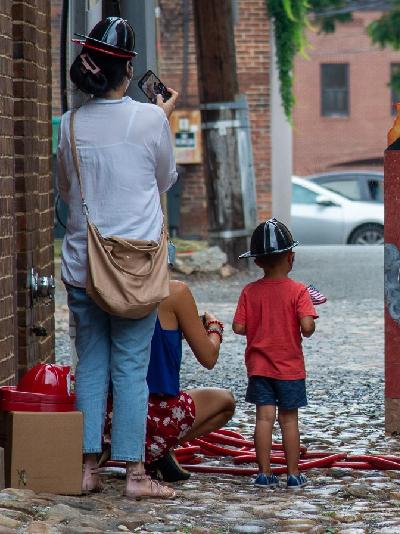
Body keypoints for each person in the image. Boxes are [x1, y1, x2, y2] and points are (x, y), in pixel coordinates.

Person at [57, 16, 180, 498]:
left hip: (83, 265)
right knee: (131, 369)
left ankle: (86, 469)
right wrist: (163, 117)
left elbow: (66, 188)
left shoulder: (70, 124)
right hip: (137, 268)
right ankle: (135, 476)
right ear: (128, 70)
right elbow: (165, 179)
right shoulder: (150, 119)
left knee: (90, 365)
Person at [103, 277, 237, 483]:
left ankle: (121, 448)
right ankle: (158, 449)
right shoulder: (174, 292)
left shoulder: (106, 287)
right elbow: (209, 358)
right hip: (157, 414)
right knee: (226, 401)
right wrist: (214, 327)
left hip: (110, 414)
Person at [233, 219, 318, 490]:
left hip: (259, 368)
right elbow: (307, 328)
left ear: (257, 261)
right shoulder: (299, 291)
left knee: (263, 419)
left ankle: (264, 473)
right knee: (289, 420)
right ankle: (293, 474)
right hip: (289, 369)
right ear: (291, 258)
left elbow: (238, 327)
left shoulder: (249, 291)